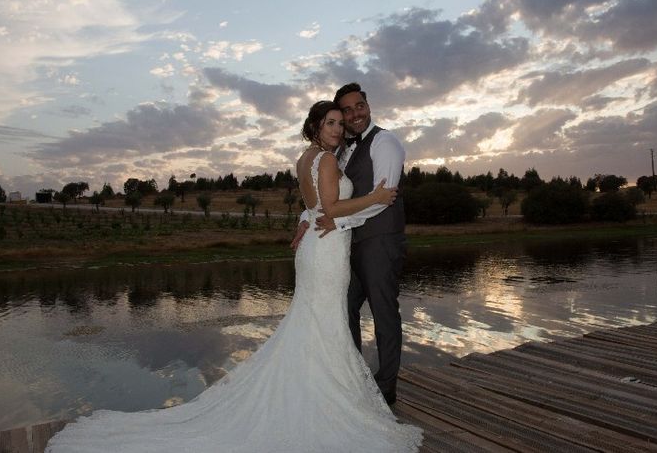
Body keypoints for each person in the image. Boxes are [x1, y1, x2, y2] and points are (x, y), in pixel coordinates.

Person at [45, 101, 422, 453]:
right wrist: (377, 197)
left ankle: (312, 391)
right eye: (332, 123)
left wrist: (303, 224)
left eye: (341, 124)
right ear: (315, 127)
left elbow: (314, 209)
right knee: (325, 323)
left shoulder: (304, 158)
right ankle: (321, 401)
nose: (339, 130)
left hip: (319, 246)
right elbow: (334, 207)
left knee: (316, 324)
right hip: (326, 251)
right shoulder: (324, 160)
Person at [292, 83, 407, 406]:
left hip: (379, 240)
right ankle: (351, 375)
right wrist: (306, 218)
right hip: (344, 244)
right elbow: (324, 197)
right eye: (345, 112)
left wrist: (336, 220)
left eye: (359, 107)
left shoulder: (385, 142)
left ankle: (386, 387)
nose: (353, 115)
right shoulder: (337, 152)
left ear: (367, 105)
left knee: (384, 312)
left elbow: (383, 200)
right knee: (344, 310)